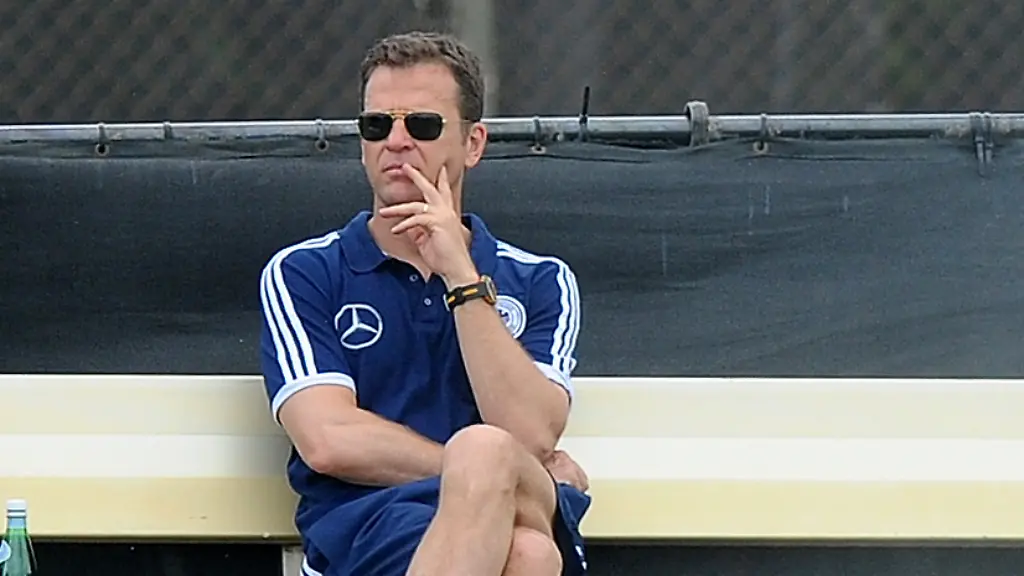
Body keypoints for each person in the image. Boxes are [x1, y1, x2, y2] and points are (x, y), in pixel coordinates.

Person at [259, 31, 592, 576]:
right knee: (528, 552)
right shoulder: (306, 272)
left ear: (473, 144)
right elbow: (327, 440)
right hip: (372, 531)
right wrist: (478, 474)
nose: (396, 141)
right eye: (376, 125)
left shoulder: (539, 280)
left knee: (493, 461)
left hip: (516, 505)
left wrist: (462, 278)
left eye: (422, 124)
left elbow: (531, 434)